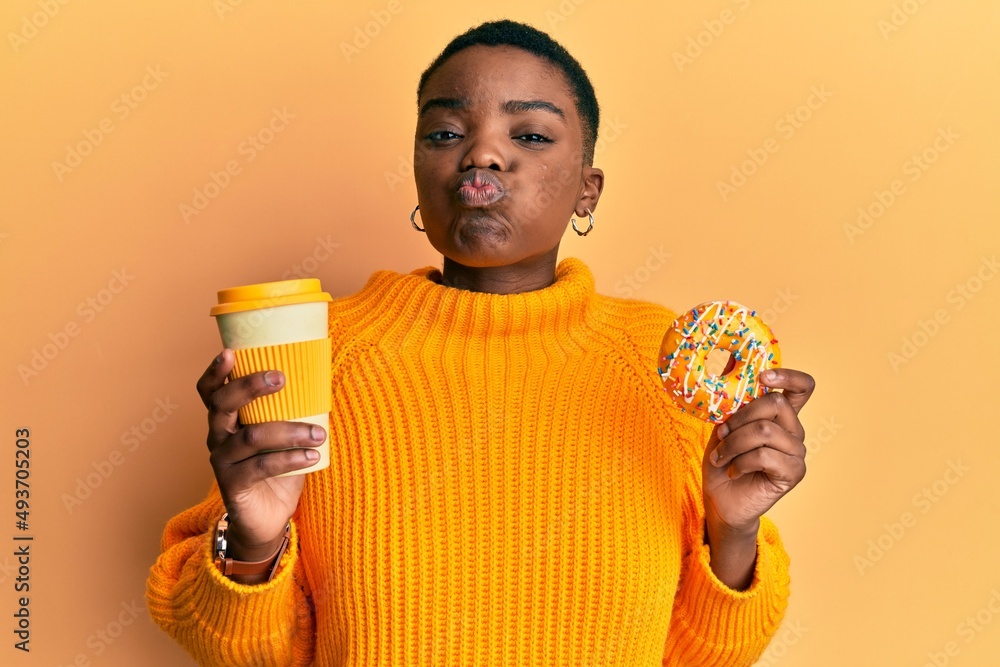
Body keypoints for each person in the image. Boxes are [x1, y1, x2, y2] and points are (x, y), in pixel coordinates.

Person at [146, 19, 814, 667]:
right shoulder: (317, 354)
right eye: (445, 131)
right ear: (416, 168)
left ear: (589, 189)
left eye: (529, 133)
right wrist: (254, 539)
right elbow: (242, 653)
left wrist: (732, 530)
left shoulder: (659, 367)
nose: (482, 154)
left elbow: (704, 659)